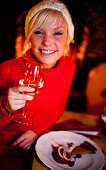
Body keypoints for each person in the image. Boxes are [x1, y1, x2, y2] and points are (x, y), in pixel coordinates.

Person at [0, 0, 75, 168]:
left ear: (68, 37)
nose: (47, 41)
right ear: (29, 36)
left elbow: (57, 110)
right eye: (39, 31)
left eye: (57, 33)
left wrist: (36, 132)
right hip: (5, 151)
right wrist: (4, 107)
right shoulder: (6, 71)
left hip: (39, 143)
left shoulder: (69, 66)